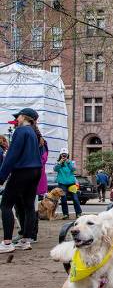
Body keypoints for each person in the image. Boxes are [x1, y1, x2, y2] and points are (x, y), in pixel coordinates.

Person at [0, 108, 44, 256]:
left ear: (24, 117)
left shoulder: (20, 131)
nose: (16, 119)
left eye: (17, 116)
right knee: (29, 206)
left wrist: (2, 176)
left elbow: (12, 155)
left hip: (22, 171)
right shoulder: (33, 132)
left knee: (6, 205)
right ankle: (26, 240)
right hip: (36, 170)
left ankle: (6, 243)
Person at [54, 147, 82, 219]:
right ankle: (65, 214)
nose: (64, 156)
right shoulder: (58, 163)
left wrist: (68, 162)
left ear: (67, 155)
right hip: (62, 183)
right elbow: (55, 169)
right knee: (63, 199)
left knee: (75, 198)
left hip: (71, 183)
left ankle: (78, 213)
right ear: (60, 155)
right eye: (62, 154)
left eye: (65, 155)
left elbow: (73, 169)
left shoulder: (71, 162)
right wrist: (60, 162)